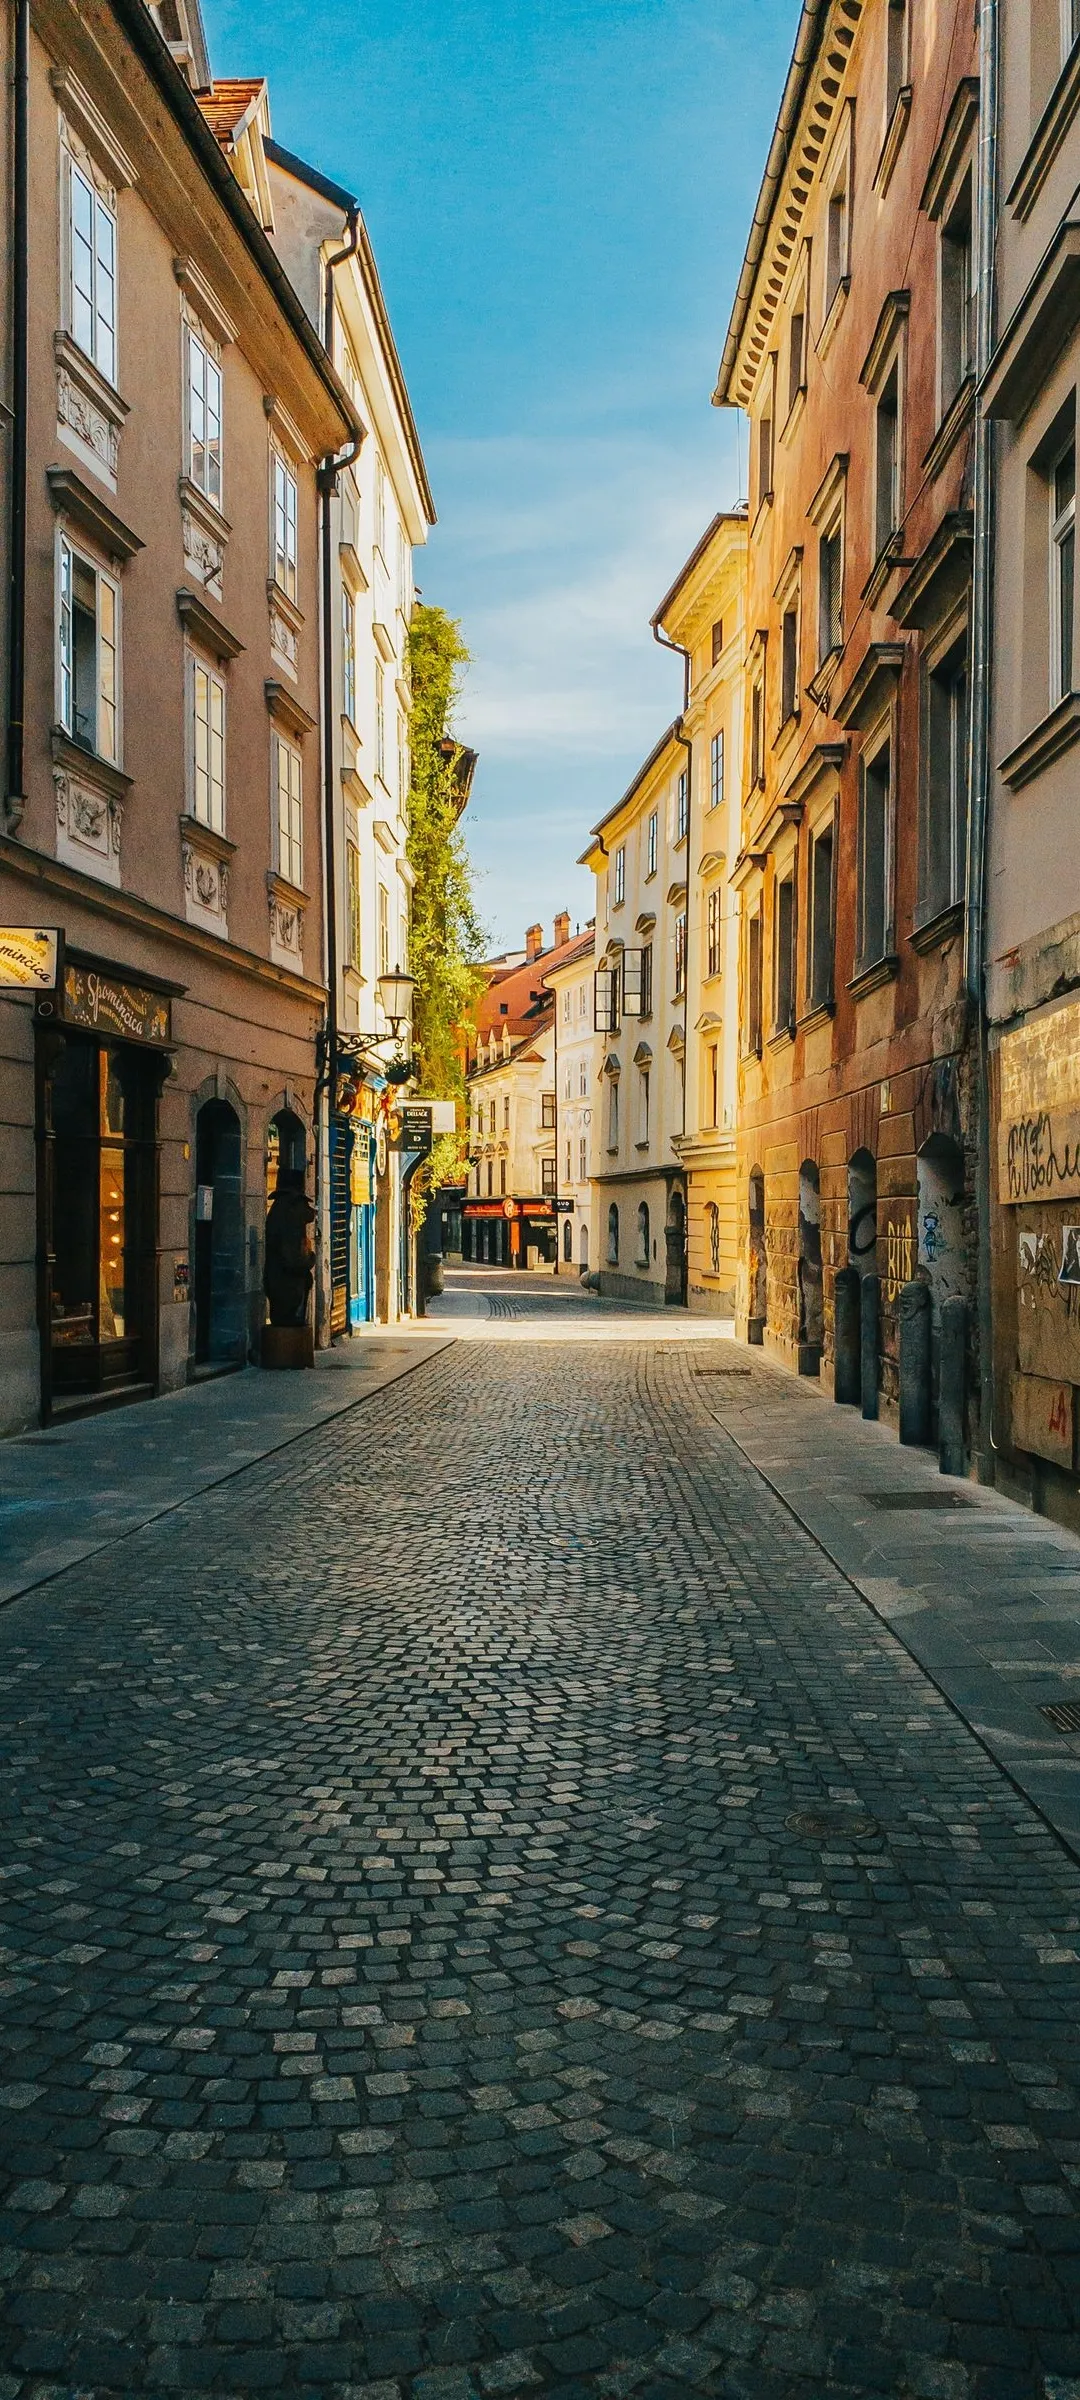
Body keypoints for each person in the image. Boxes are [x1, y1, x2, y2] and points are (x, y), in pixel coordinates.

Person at [264, 1167, 314, 1327]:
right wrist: (310, 1259)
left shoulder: (278, 1209)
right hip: (288, 1289)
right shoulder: (289, 1214)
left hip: (278, 1284)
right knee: (289, 1325)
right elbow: (292, 1259)